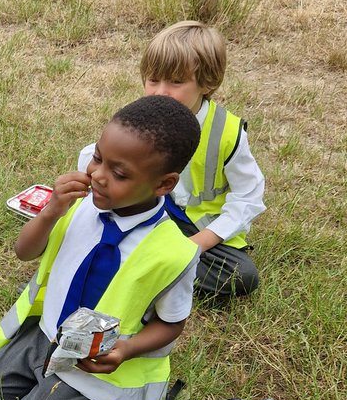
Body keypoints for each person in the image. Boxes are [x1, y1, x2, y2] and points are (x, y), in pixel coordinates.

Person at [0, 97, 201, 400]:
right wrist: (50, 212)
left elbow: (171, 325)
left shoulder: (174, 252)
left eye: (119, 174)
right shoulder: (77, 204)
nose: (98, 176)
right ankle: (43, 384)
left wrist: (125, 350)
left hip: (94, 365)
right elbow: (23, 251)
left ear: (164, 184)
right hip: (45, 335)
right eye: (98, 157)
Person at [82, 21, 264, 297]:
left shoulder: (226, 133)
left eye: (176, 82)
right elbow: (96, 157)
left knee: (242, 276)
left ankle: (139, 269)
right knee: (92, 228)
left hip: (193, 229)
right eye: (153, 80)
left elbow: (248, 197)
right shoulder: (142, 118)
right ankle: (138, 268)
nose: (160, 92)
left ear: (208, 82)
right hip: (143, 207)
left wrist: (199, 243)